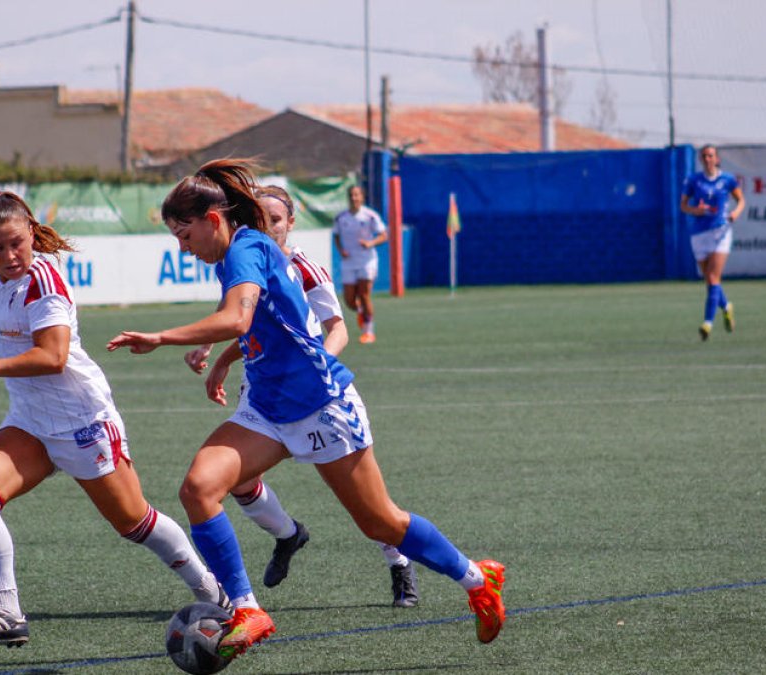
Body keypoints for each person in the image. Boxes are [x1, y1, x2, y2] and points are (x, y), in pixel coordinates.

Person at [108, 160, 506, 663]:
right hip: (268, 408)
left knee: (381, 523)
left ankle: (476, 578)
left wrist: (162, 337)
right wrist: (226, 360)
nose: (182, 247)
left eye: (184, 233)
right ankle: (248, 610)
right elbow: (259, 327)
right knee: (199, 488)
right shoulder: (232, 255)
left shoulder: (247, 247)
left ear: (213, 219)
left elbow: (238, 316)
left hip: (321, 406)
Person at [0, 191, 229, 650]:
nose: (8, 255)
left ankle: (213, 593)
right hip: (30, 421)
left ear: (31, 233)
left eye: (15, 243)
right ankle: (8, 612)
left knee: (134, 523)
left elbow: (52, 357)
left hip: (81, 419)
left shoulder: (45, 282)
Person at [183, 185, 421, 608]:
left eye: (276, 219)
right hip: (263, 392)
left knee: (366, 505)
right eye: (260, 217)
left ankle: (399, 561)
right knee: (234, 481)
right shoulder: (245, 257)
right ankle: (288, 536)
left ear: (290, 223)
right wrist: (219, 358)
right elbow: (251, 324)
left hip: (315, 394)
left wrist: (312, 371)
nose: (267, 225)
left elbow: (336, 329)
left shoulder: (305, 268)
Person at [680, 144, 745, 341]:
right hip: (699, 234)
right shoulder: (693, 180)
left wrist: (735, 213)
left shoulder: (727, 179)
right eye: (704, 156)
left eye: (711, 156)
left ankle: (707, 323)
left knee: (713, 275)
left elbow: (741, 200)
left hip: (721, 232)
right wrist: (695, 210)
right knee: (710, 280)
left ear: (716, 159)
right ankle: (726, 306)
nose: (708, 159)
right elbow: (683, 205)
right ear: (701, 160)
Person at [332, 184, 388, 344]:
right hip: (349, 262)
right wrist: (341, 249)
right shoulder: (341, 217)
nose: (354, 198)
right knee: (349, 301)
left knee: (364, 295)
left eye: (357, 195)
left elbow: (384, 235)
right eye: (351, 195)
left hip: (366, 260)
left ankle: (368, 331)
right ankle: (362, 311)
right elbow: (336, 235)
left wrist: (371, 243)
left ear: (362, 197)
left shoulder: (370, 216)